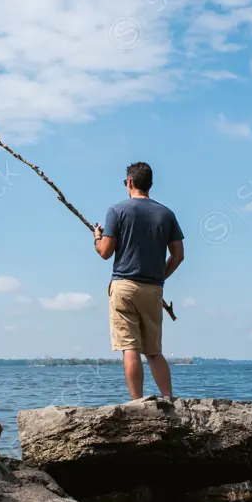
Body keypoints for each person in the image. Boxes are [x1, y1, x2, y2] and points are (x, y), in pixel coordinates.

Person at [93, 162, 184, 400]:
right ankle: (168, 398)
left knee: (130, 347)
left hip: (124, 285)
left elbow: (105, 252)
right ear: (149, 184)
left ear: (130, 182)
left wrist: (97, 237)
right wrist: (159, 277)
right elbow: (178, 255)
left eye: (126, 182)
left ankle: (137, 402)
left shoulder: (117, 211)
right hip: (153, 289)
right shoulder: (166, 214)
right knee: (154, 351)